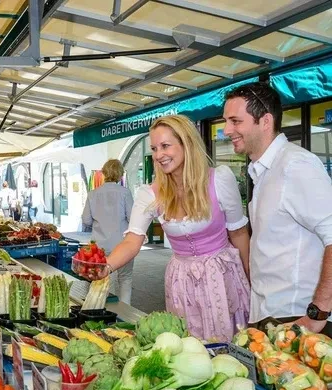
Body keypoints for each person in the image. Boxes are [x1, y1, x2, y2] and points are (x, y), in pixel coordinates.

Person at [104, 115, 251, 342]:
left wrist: (252, 283)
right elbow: (132, 241)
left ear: (186, 143)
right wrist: (105, 267)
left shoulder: (219, 179)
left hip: (220, 277)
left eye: (165, 146)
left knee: (229, 345)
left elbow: (239, 234)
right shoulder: (150, 193)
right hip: (181, 281)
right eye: (154, 148)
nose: (158, 154)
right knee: (188, 347)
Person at [223, 82, 332, 335]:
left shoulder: (295, 165)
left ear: (265, 120)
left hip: (299, 320)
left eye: (235, 121)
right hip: (271, 316)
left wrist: (318, 313)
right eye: (226, 121)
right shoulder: (262, 170)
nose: (227, 130)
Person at [82, 159, 135, 304]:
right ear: (120, 174)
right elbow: (133, 218)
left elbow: (86, 220)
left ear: (104, 173)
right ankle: (125, 314)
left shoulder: (92, 194)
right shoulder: (125, 193)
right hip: (123, 245)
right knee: (125, 278)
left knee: (100, 279)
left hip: (99, 246)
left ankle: (98, 308)